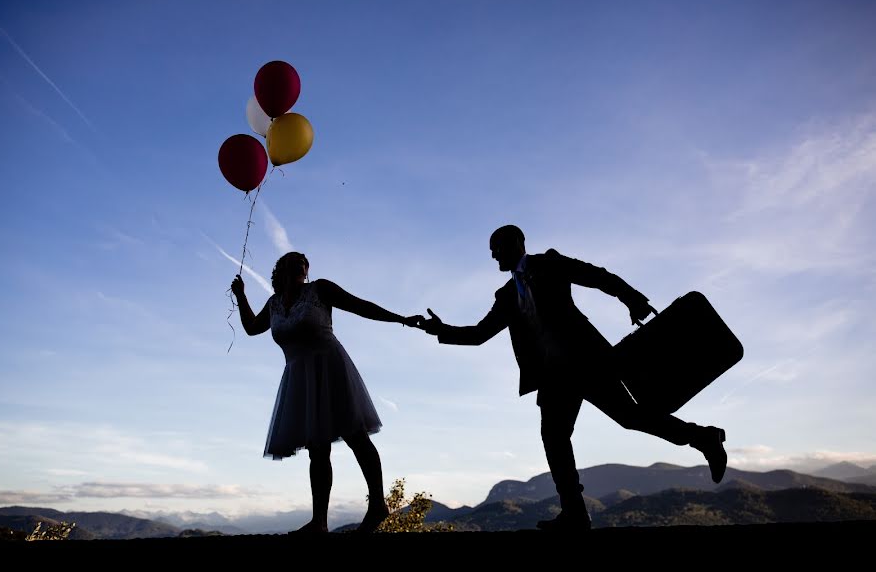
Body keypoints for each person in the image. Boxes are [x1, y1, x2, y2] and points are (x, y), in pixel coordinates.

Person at [418, 225, 727, 532]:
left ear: (515, 243)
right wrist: (440, 330)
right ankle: (575, 513)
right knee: (554, 437)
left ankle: (703, 437)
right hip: (553, 377)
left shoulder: (549, 264)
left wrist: (632, 299)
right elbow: (479, 334)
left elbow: (598, 276)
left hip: (588, 361)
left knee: (631, 418)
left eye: (495, 247)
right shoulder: (507, 295)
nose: (492, 254)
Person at [230, 252, 423, 534]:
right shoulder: (273, 304)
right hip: (299, 378)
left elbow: (361, 306)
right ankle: (319, 521)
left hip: (331, 368)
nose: (300, 263)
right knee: (317, 450)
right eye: (292, 260)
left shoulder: (319, 289)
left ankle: (378, 504)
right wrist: (240, 295)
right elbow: (250, 328)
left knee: (356, 435)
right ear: (279, 270)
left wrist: (401, 319)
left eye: (304, 262)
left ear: (307, 270)